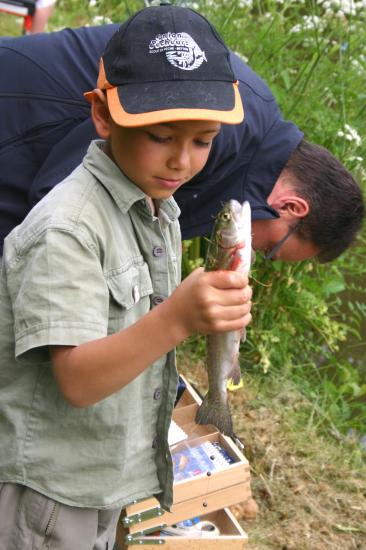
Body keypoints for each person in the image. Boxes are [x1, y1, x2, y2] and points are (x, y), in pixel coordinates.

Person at [0, 4, 253, 549]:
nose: (182, 161)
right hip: (48, 490)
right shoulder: (66, 228)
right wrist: (179, 318)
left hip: (104, 473)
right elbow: (78, 380)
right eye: (161, 135)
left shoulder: (156, 205)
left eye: (203, 140)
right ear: (102, 115)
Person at [0, 23, 363, 264]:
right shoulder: (220, 126)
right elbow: (59, 198)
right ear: (292, 207)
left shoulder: (244, 148)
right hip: (16, 121)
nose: (253, 253)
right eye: (269, 249)